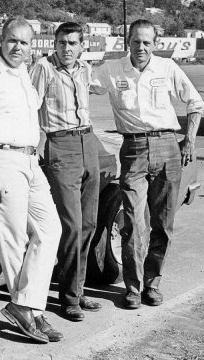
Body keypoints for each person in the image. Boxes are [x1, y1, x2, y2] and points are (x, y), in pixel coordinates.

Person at [0, 16, 63, 343]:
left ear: (32, 46)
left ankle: (28, 305)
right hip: (0, 158)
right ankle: (29, 311)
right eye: (12, 40)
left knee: (51, 229)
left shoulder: (21, 71)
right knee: (14, 239)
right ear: (1, 39)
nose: (17, 47)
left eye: (24, 42)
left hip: (27, 160)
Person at [91, 19, 204, 309]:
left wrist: (189, 140)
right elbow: (81, 82)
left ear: (155, 44)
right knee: (131, 222)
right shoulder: (112, 70)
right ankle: (132, 288)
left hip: (168, 147)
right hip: (133, 150)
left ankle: (152, 284)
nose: (140, 47)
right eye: (135, 41)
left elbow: (195, 103)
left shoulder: (167, 68)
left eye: (146, 42)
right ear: (126, 41)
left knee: (162, 224)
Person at [29, 22, 102, 322]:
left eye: (73, 43)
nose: (67, 49)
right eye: (62, 43)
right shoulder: (44, 68)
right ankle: (68, 297)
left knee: (89, 223)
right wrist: (34, 147)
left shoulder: (85, 69)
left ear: (82, 45)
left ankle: (78, 288)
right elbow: (30, 108)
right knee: (71, 225)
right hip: (60, 144)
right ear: (55, 44)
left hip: (88, 141)